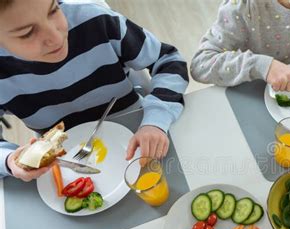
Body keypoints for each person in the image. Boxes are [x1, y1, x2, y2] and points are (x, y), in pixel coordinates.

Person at [0, 0, 188, 181]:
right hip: (66, 171)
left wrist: (155, 120)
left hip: (142, 135)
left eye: (52, 10)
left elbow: (169, 61)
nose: (57, 37)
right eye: (27, 33)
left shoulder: (96, 21)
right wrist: (8, 161)